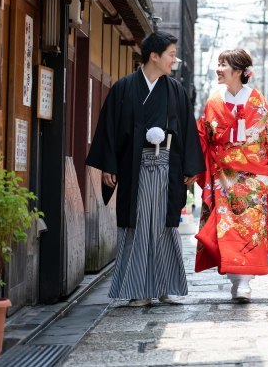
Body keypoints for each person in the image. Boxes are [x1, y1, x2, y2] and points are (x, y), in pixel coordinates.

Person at [86, 31, 204, 307]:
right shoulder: (124, 88)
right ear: (154, 56)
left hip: (167, 166)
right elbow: (110, 130)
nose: (175, 60)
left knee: (164, 226)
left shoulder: (175, 90)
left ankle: (165, 286)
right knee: (136, 226)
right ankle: (138, 290)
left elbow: (187, 131)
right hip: (133, 167)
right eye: (171, 55)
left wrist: (189, 166)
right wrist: (109, 166)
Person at [194, 48, 268, 302]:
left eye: (223, 65)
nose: (218, 69)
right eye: (218, 64)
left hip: (255, 179)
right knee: (228, 229)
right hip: (225, 178)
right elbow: (202, 138)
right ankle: (236, 279)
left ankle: (244, 281)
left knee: (251, 229)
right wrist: (193, 168)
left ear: (239, 71)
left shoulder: (256, 99)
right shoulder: (213, 101)